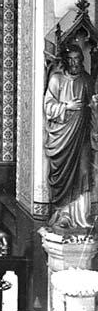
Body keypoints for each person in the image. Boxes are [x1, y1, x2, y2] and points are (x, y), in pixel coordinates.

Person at [44, 44, 94, 231]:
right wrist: (67, 106)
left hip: (82, 138)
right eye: (71, 59)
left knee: (83, 172)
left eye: (78, 59)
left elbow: (92, 106)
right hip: (62, 139)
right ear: (66, 60)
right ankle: (63, 214)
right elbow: (48, 106)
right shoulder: (56, 80)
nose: (75, 63)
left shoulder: (87, 80)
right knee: (63, 176)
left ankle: (81, 216)